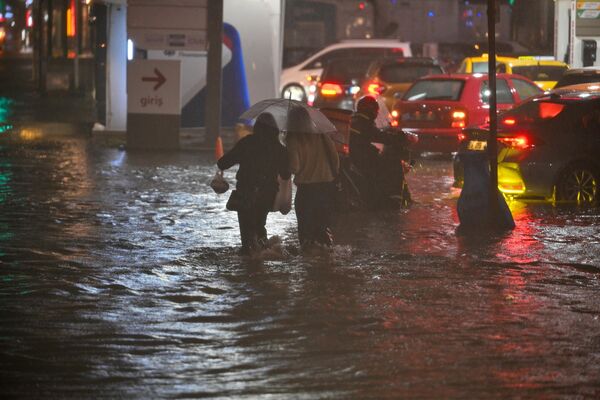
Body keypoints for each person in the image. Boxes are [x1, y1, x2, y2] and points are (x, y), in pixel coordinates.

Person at [217, 112, 291, 255]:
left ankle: (250, 264)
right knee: (259, 226)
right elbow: (286, 174)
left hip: (246, 192)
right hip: (267, 194)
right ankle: (263, 256)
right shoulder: (279, 148)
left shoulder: (247, 142)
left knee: (247, 234)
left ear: (257, 127)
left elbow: (223, 163)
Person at [286, 107, 340, 249]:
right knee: (322, 230)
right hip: (326, 188)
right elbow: (335, 159)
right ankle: (325, 263)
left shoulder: (293, 139)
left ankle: (309, 266)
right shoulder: (322, 135)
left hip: (306, 191)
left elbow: (294, 167)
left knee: (306, 234)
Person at [348, 95, 410, 206]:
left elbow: (376, 134)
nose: (376, 114)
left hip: (357, 157)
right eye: (376, 111)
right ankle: (394, 199)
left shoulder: (354, 120)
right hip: (364, 160)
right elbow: (380, 136)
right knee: (393, 163)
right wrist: (399, 137)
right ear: (372, 111)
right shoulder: (363, 122)